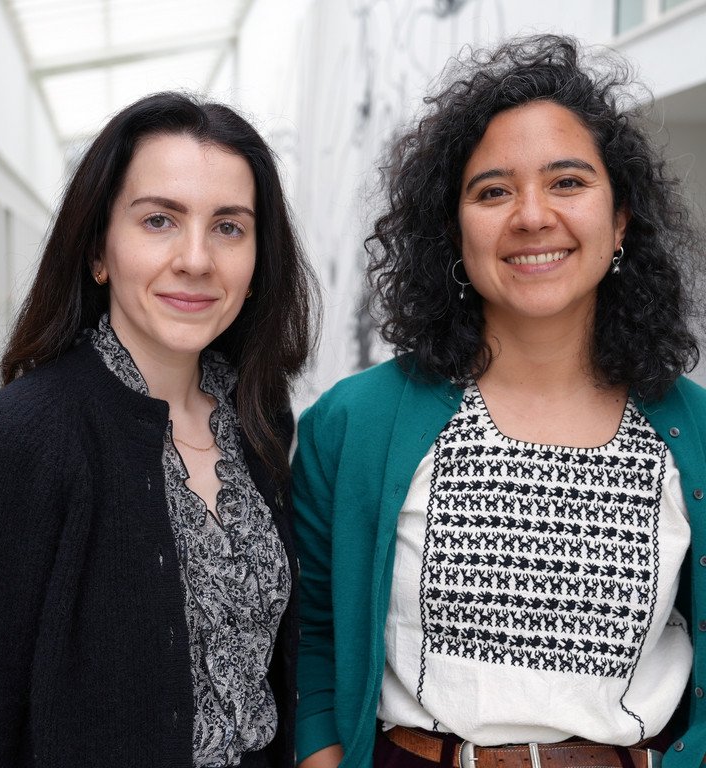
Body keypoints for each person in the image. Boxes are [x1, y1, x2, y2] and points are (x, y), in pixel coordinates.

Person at [292, 34, 706, 768]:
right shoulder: (352, 424)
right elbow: (312, 645)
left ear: (620, 220)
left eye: (568, 181)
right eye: (492, 191)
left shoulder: (694, 430)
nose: (532, 216)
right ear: (453, 230)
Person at [0, 91, 318, 768]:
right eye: (159, 220)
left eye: (229, 227)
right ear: (98, 251)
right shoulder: (24, 438)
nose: (196, 259)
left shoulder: (259, 415)